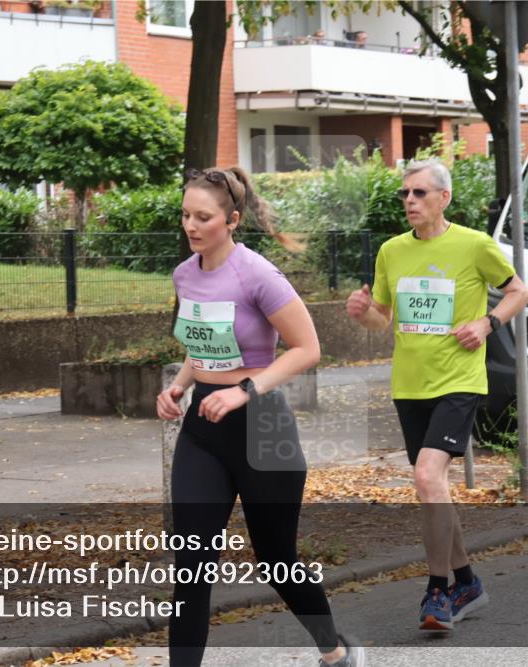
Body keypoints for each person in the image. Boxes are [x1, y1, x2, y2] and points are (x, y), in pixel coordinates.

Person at [158, 166, 366, 667]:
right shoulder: (185, 274)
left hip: (262, 428)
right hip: (203, 431)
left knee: (277, 562)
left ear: (231, 219)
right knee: (191, 566)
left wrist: (245, 391)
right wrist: (181, 385)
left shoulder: (257, 273)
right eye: (185, 214)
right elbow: (204, 342)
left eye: (203, 217)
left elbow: (307, 348)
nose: (191, 225)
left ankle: (334, 649)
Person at [346, 158, 528, 631]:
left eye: (419, 193)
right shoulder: (391, 251)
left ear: (443, 198)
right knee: (435, 487)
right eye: (405, 194)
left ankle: (437, 592)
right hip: (410, 385)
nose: (409, 201)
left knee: (427, 476)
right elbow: (382, 319)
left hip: (459, 381)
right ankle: (468, 581)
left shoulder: (474, 245)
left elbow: (517, 292)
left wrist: (488, 323)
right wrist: (362, 312)